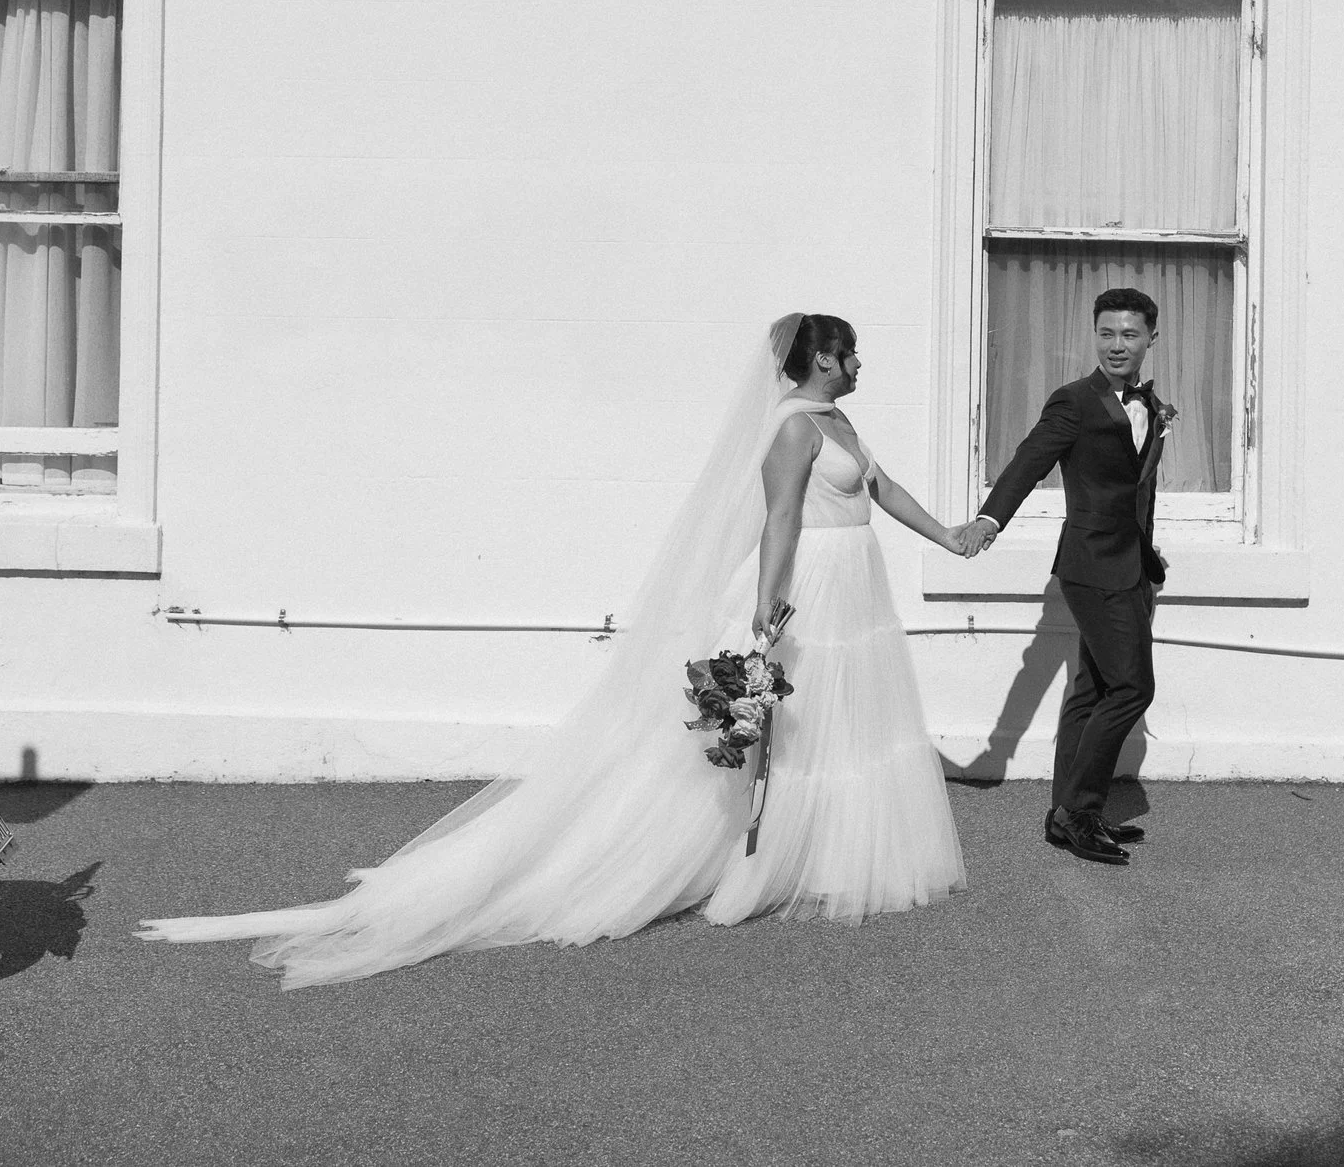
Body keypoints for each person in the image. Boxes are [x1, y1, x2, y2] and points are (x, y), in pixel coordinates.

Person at [137, 313, 971, 987]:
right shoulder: (793, 431)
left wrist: (952, 536)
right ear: (818, 358)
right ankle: (753, 860)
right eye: (849, 350)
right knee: (783, 731)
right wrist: (767, 603)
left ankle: (820, 848)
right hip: (811, 585)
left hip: (854, 586)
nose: (860, 360)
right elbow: (780, 517)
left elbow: (882, 486)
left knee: (836, 725)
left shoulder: (839, 419)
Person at [955, 287, 1172, 867]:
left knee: (1095, 688)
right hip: (1090, 565)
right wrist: (990, 518)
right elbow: (1030, 458)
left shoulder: (1149, 406)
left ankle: (1069, 815)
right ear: (1094, 336)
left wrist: (1149, 558)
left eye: (1128, 334)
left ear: (1152, 338)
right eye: (1106, 333)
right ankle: (1076, 812)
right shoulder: (1074, 400)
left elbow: (1137, 491)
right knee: (1133, 688)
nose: (1116, 345)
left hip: (1130, 565)